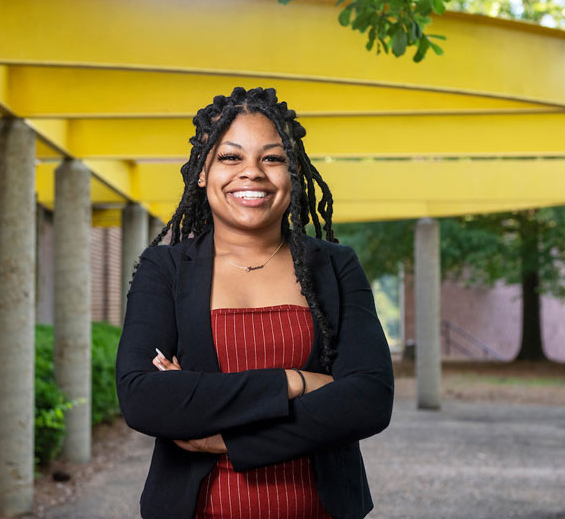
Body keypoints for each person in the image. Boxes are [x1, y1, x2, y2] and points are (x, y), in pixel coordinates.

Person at [116, 87, 394, 519]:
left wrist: (227, 438)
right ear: (202, 173)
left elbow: (369, 399)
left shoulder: (335, 266)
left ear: (293, 172)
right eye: (230, 157)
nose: (252, 173)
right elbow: (144, 399)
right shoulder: (165, 269)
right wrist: (296, 382)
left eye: (272, 158)